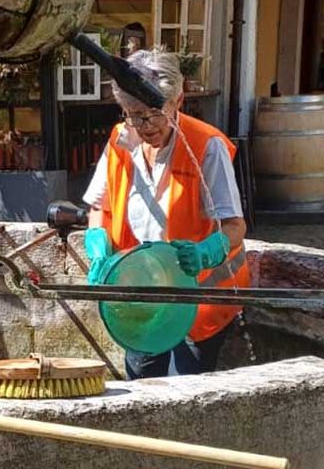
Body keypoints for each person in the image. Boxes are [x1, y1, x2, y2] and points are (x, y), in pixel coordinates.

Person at [81, 50, 248, 378]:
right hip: (143, 294)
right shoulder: (121, 139)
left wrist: (207, 252)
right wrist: (98, 245)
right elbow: (101, 206)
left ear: (178, 101)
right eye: (133, 114)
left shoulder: (206, 147)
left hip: (199, 299)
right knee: (141, 384)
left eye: (155, 113)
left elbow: (234, 226)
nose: (146, 125)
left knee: (189, 391)